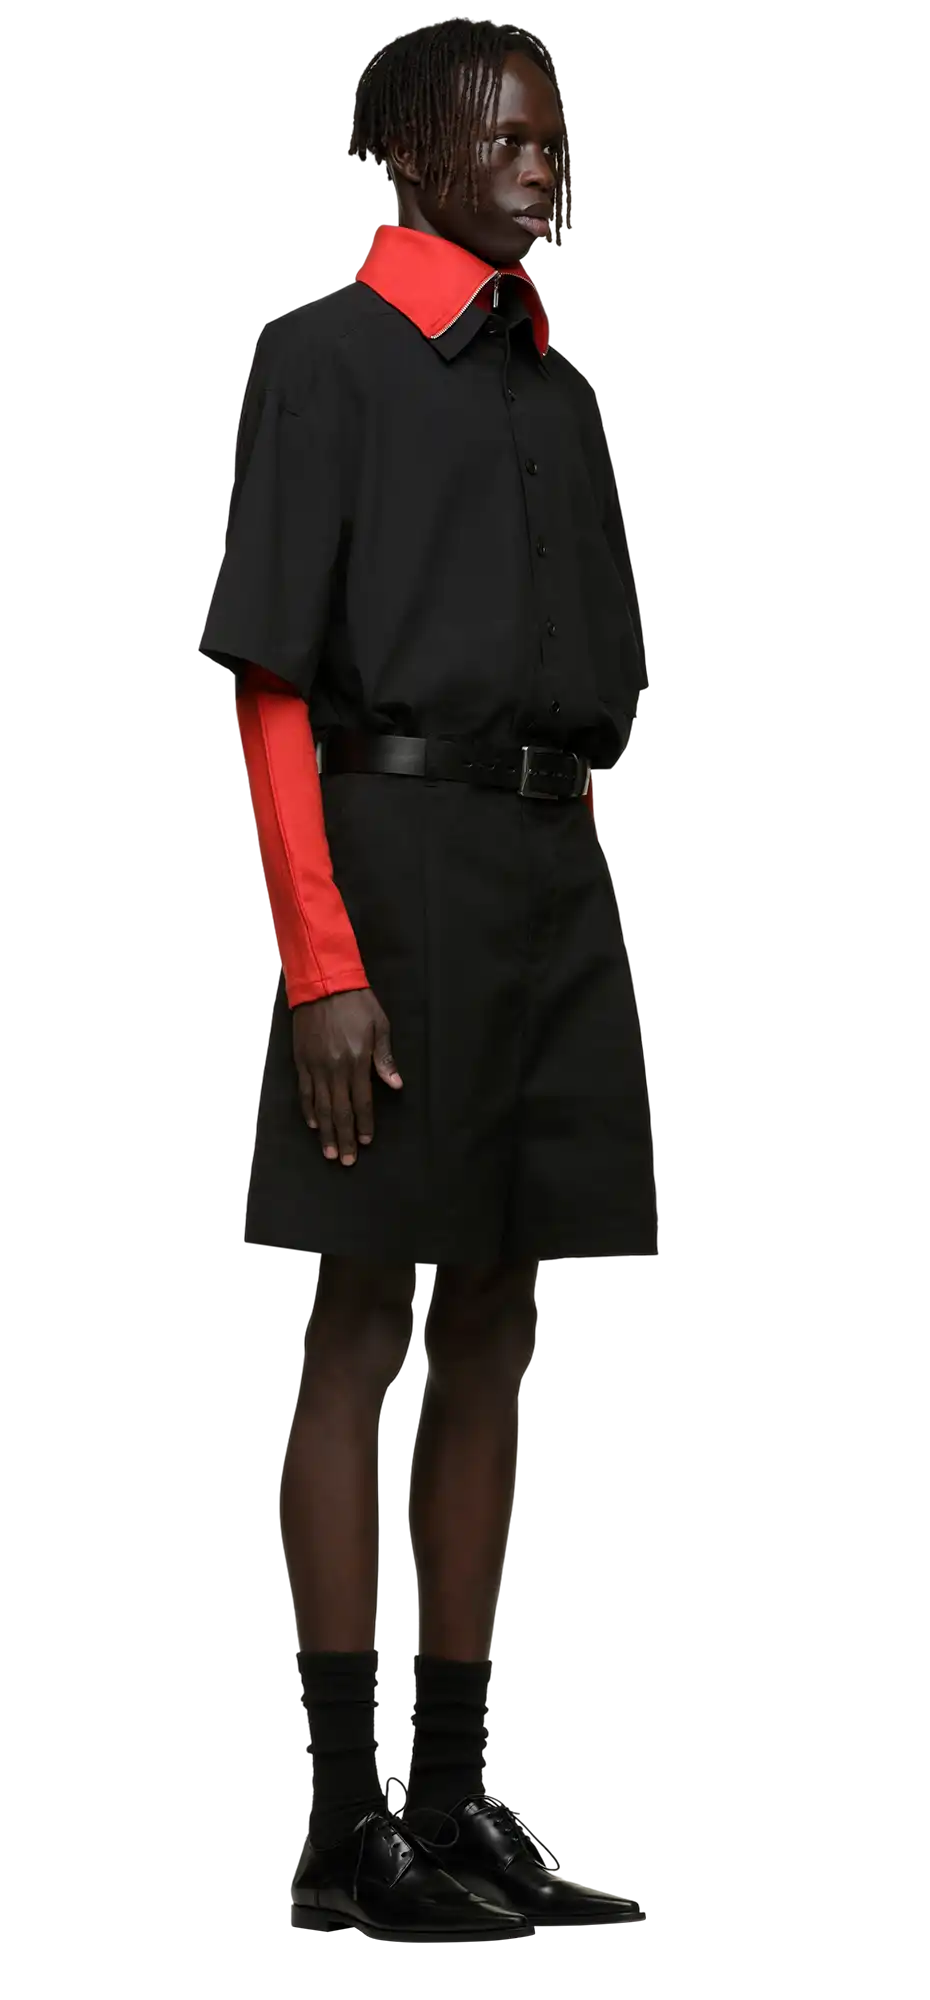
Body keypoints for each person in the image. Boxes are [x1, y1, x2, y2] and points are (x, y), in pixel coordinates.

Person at [194, 17, 656, 1941]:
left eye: (560, 142)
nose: (545, 168)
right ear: (407, 152)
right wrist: (322, 964)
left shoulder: (556, 392)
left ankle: (455, 1799)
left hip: (548, 871)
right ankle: (345, 1823)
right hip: (389, 874)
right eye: (510, 139)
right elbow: (273, 684)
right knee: (362, 1321)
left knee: (499, 1319)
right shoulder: (321, 358)